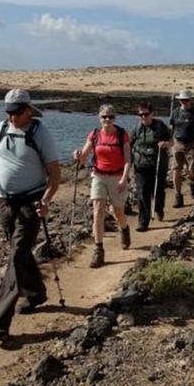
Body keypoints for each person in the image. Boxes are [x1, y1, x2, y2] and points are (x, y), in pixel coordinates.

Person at [0, 89, 61, 341]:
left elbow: (55, 174)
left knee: (17, 254)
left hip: (32, 201)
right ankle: (36, 294)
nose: (12, 117)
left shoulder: (40, 133)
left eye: (17, 112)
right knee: (18, 250)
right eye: (8, 112)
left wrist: (45, 201)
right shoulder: (0, 129)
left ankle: (1, 321)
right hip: (4, 200)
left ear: (28, 110)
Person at [73, 104, 132, 269]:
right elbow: (84, 157)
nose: (107, 120)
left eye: (110, 117)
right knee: (98, 211)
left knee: (118, 211)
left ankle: (125, 228)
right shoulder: (95, 134)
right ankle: (98, 250)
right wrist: (78, 155)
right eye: (104, 117)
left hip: (117, 177)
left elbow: (128, 160)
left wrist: (123, 179)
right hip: (98, 175)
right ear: (99, 118)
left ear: (115, 118)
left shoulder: (122, 135)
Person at [129, 101, 172, 230]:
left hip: (158, 165)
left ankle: (159, 208)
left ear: (151, 114)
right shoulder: (136, 129)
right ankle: (143, 221)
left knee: (158, 191)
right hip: (141, 166)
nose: (143, 117)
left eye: (145, 114)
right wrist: (129, 164)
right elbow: (129, 145)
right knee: (142, 193)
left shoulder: (160, 126)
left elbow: (171, 141)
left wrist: (165, 144)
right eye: (140, 115)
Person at [169, 89, 194, 208]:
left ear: (190, 100)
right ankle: (178, 196)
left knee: (192, 172)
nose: (184, 102)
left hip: (191, 145)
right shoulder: (175, 112)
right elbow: (171, 129)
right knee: (176, 170)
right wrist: (169, 144)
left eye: (186, 100)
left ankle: (193, 183)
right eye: (182, 100)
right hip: (177, 144)